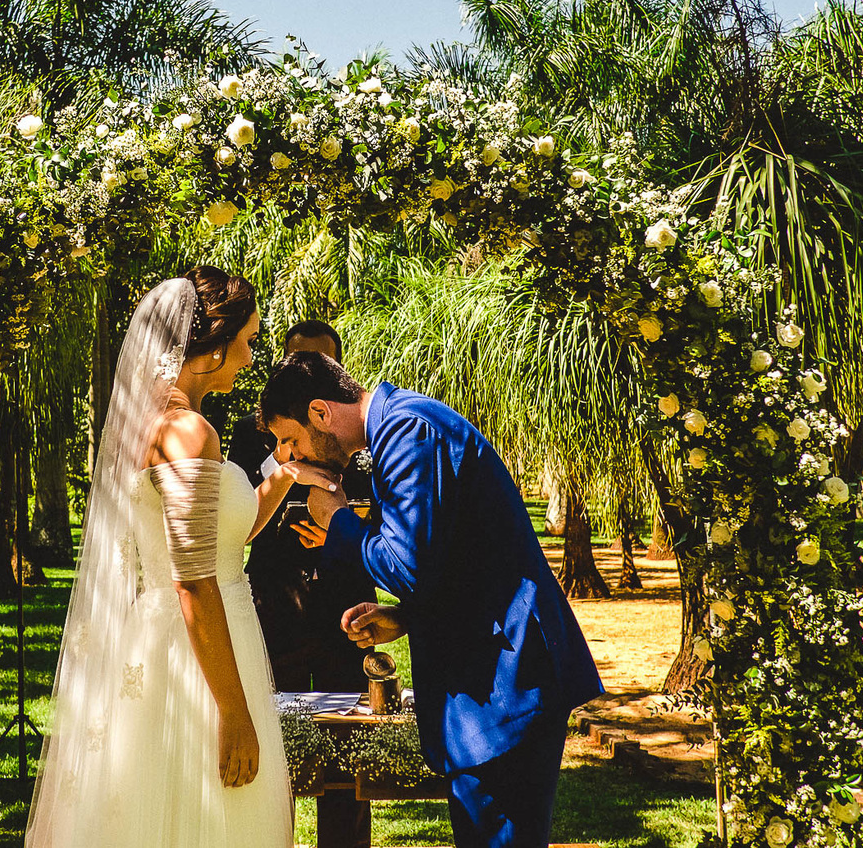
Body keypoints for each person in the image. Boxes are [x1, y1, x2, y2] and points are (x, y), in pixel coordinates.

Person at [27, 268, 337, 847]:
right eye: (246, 342)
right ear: (213, 346)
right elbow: (195, 580)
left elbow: (221, 541)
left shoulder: (160, 423)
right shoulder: (188, 432)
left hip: (178, 636)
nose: (250, 358)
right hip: (198, 655)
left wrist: (283, 476)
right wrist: (235, 712)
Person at [258, 352, 604, 848]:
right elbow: (450, 559)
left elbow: (406, 566)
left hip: (504, 679)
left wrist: (337, 519)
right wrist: (403, 617)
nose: (290, 456)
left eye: (289, 439)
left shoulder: (406, 433)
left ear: (319, 412)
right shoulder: (401, 426)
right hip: (492, 672)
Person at [228, 320, 377, 848]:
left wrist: (341, 527)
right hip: (275, 598)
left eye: (320, 363)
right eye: (297, 362)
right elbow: (238, 509)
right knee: (274, 740)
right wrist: (284, 459)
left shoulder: (359, 431)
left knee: (351, 739)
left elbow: (381, 506)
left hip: (346, 596)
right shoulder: (252, 432)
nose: (307, 373)